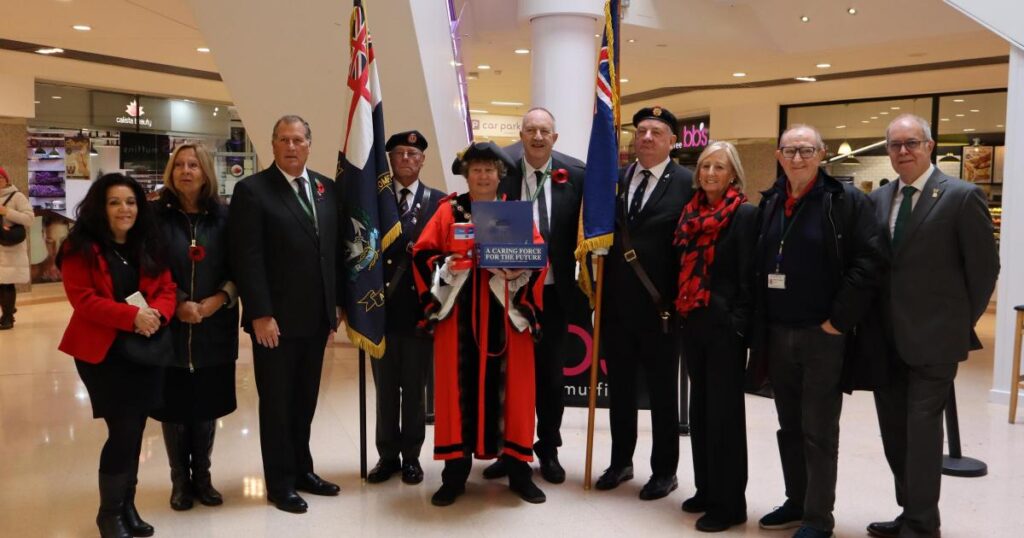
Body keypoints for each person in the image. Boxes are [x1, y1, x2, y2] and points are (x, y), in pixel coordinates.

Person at [866, 114, 999, 538]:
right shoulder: (879, 199)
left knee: (922, 436)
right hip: (885, 340)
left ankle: (922, 526)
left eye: (912, 143)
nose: (903, 151)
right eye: (894, 145)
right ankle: (911, 513)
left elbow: (983, 269)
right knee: (895, 436)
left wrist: (957, 324)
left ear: (930, 145)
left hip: (934, 341)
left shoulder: (961, 195)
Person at [751, 124, 885, 538]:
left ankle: (817, 517)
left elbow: (869, 262)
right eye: (790, 151)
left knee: (818, 429)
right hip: (778, 332)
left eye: (806, 150)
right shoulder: (772, 201)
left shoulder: (844, 201)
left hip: (822, 335)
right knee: (788, 425)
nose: (797, 158)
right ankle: (796, 501)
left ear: (822, 154)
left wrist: (838, 320)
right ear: (778, 156)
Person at [412, 141, 547, 507]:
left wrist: (520, 268)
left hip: (505, 316)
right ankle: (454, 476)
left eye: (490, 169)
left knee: (516, 397)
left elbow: (538, 258)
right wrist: (446, 265)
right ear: (466, 174)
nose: (484, 175)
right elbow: (422, 255)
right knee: (456, 396)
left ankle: (519, 472)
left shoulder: (516, 214)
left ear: (499, 175)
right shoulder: (447, 212)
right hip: (458, 319)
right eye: (476, 170)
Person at [228, 115, 341, 514]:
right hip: (274, 323)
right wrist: (259, 313)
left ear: (310, 144)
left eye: (298, 139)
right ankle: (279, 482)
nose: (291, 146)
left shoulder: (326, 188)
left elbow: (331, 253)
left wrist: (335, 306)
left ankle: (303, 470)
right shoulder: (253, 191)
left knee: (305, 401)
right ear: (272, 145)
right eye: (283, 140)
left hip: (316, 320)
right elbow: (248, 258)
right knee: (277, 404)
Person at [57, 173, 177, 538]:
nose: (124, 209)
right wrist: (133, 317)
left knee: (136, 429)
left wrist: (156, 315)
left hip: (145, 349)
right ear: (100, 207)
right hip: (104, 353)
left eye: (130, 202)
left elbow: (168, 287)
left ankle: (127, 506)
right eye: (114, 202)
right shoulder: (80, 247)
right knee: (123, 430)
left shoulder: (148, 244)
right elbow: (84, 300)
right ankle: (109, 514)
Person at [482, 107, 585, 484]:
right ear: (521, 135)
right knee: (508, 374)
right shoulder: (501, 172)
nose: (538, 137)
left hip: (554, 294)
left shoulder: (575, 175)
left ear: (554, 138)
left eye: (545, 131)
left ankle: (549, 448)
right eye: (531, 130)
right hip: (507, 291)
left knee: (550, 378)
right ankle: (509, 450)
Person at [596, 106, 694, 501]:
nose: (647, 138)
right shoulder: (616, 180)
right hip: (618, 307)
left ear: (673, 140)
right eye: (641, 131)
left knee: (661, 395)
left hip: (662, 309)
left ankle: (664, 471)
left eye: (657, 132)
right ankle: (621, 462)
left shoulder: (687, 183)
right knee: (619, 389)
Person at [150, 142, 239, 510]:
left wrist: (219, 299)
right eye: (179, 165)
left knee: (205, 406)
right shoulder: (155, 217)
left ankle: (202, 478)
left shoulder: (226, 216)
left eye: (193, 165)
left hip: (214, 325)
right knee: (174, 409)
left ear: (206, 172)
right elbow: (150, 268)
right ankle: (179, 482)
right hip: (170, 327)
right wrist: (178, 304)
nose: (186, 171)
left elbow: (241, 266)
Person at [674, 141, 756, 532]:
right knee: (701, 413)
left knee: (724, 417)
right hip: (693, 321)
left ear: (733, 174)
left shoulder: (743, 215)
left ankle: (730, 503)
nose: (709, 173)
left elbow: (748, 277)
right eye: (705, 166)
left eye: (719, 167)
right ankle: (706, 489)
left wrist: (737, 323)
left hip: (725, 329)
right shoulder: (690, 213)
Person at [366, 130, 444, 485]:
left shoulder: (440, 203)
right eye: (400, 153)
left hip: (419, 313)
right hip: (381, 311)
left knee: (415, 390)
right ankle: (386, 456)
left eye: (414, 154)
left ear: (423, 160)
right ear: (390, 159)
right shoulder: (373, 201)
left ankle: (411, 456)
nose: (407, 160)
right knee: (385, 391)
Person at [0, 165, 34, 330]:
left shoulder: (17, 196)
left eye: (0, 178)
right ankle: (8, 309)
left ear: (6, 180)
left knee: (6, 283)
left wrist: (6, 212)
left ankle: (7, 317)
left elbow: (29, 219)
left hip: (9, 247)